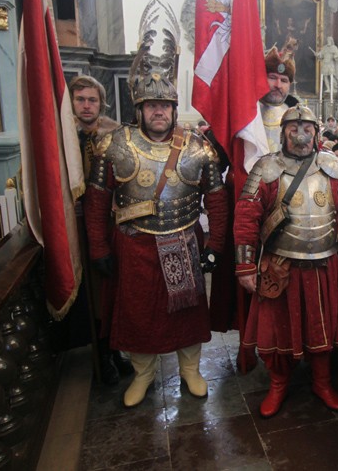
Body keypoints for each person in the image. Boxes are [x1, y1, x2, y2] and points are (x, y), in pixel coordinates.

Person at [84, 21, 229, 408]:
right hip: (133, 247)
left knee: (186, 314)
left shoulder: (199, 148)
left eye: (165, 105)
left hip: (183, 239)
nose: (159, 112)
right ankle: (143, 375)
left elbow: (216, 202)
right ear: (140, 108)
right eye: (152, 105)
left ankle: (190, 371)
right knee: (137, 314)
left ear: (173, 109)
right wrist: (98, 247)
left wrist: (215, 244)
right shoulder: (113, 146)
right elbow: (97, 204)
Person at [234, 105, 338, 418]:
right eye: (293, 127)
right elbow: (247, 216)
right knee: (278, 329)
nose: (300, 133)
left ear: (317, 133)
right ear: (283, 132)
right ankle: (278, 383)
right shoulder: (266, 167)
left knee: (321, 325)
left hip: (324, 265)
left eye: (307, 127)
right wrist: (245, 265)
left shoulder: (333, 165)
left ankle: (322, 382)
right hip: (279, 265)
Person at [68, 75, 128, 385]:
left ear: (101, 103)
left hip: (111, 222)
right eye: (80, 99)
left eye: (92, 99)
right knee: (92, 292)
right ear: (72, 102)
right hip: (77, 223)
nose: (87, 105)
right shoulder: (63, 137)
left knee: (113, 290)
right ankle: (101, 355)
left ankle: (115, 350)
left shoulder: (114, 133)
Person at [260, 47, 299, 153]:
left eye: (284, 80)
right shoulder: (246, 110)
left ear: (289, 85)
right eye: (272, 78)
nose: (278, 85)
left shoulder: (297, 115)